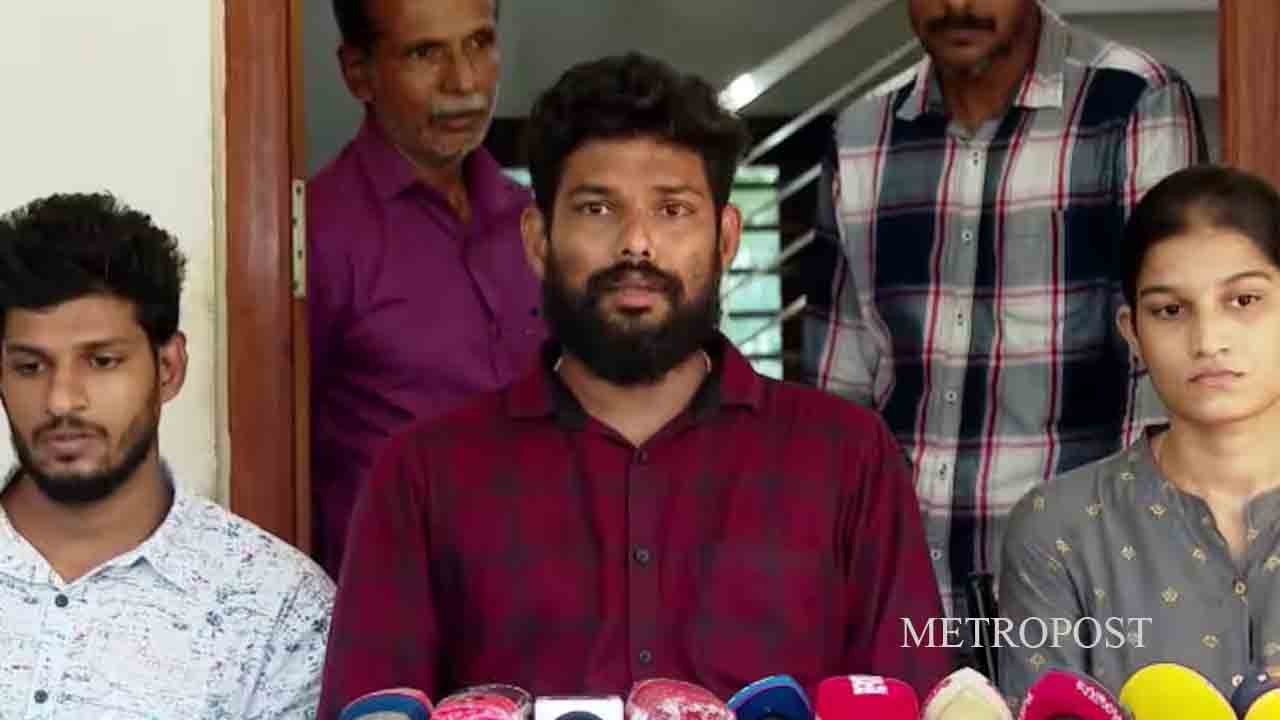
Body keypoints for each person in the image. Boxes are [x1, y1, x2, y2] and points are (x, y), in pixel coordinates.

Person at [317, 52, 954, 715]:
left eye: (673, 209)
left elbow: (910, 699)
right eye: (597, 208)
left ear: (725, 238)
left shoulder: (848, 461)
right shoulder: (424, 476)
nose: (637, 244)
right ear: (537, 239)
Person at [809, 0, 1208, 625]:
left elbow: (1167, 363)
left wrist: (1139, 573)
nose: (958, 6)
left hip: (1081, 580)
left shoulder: (1133, 101)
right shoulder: (859, 133)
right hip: (900, 584)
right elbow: (838, 389)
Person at [0, 193, 334, 717]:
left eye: (102, 361)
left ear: (169, 368)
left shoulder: (277, 609)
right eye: (29, 367)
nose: (61, 400)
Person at [999, 165, 1280, 703]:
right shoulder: (1059, 529)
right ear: (1134, 333)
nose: (1208, 340)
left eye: (1243, 300)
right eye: (1170, 310)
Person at [309, 0, 544, 578]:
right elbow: (272, 457)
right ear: (358, 73)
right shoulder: (316, 234)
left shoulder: (533, 221)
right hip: (396, 603)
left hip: (548, 594)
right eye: (424, 53)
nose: (463, 83)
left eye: (479, 44)